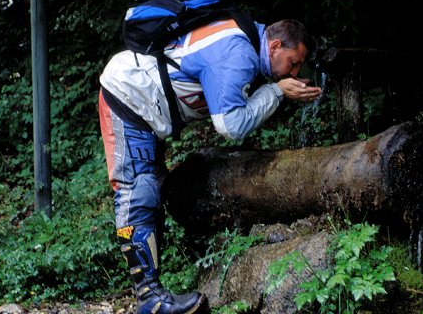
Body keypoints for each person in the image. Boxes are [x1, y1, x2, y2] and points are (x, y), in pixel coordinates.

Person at [98, 17, 322, 314]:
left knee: (152, 196)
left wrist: (277, 87)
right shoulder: (240, 53)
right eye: (293, 63)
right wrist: (277, 91)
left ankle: (153, 295)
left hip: (141, 99)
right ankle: (150, 299)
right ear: (276, 45)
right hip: (128, 95)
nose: (293, 71)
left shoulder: (246, 40)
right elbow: (231, 124)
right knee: (139, 192)